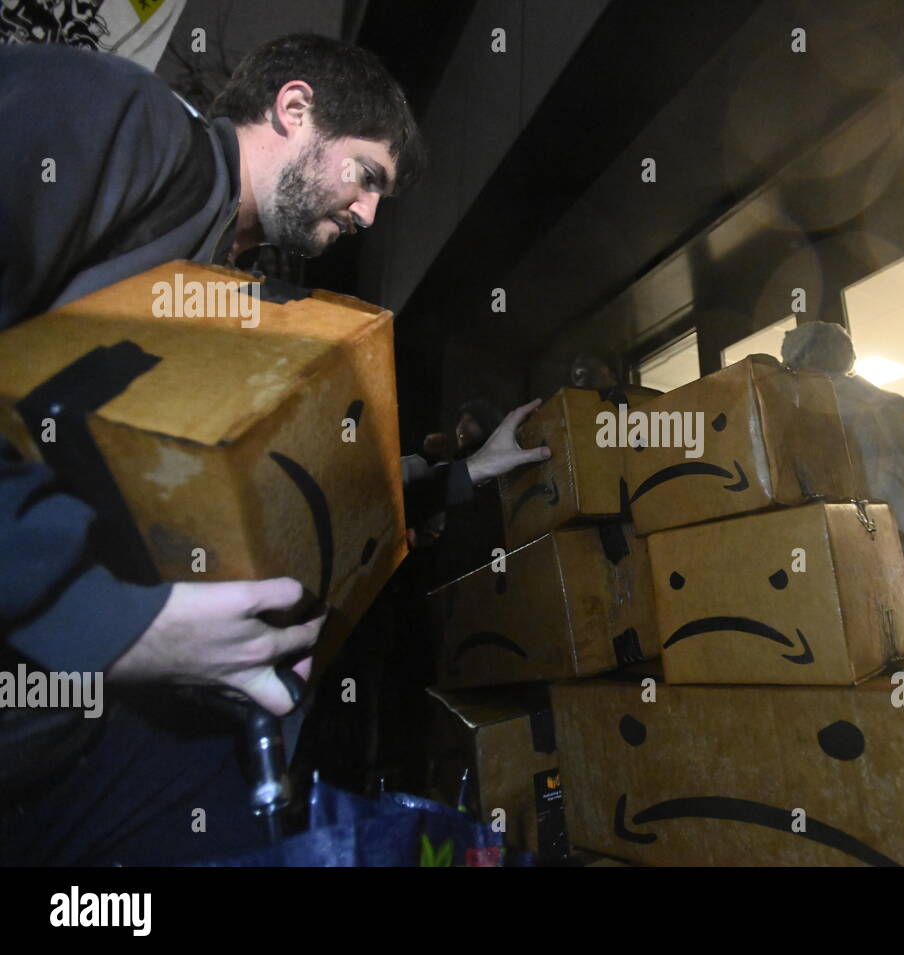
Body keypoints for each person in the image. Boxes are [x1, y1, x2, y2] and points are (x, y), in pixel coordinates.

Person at [0, 35, 547, 864]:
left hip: (78, 739)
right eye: (368, 175)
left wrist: (470, 473)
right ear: (295, 111)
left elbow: (308, 493)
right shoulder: (124, 121)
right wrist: (106, 617)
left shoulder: (223, 279)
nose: (367, 214)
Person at [780, 321, 904, 654]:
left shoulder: (800, 418)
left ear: (797, 364)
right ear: (848, 358)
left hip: (838, 565)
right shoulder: (890, 414)